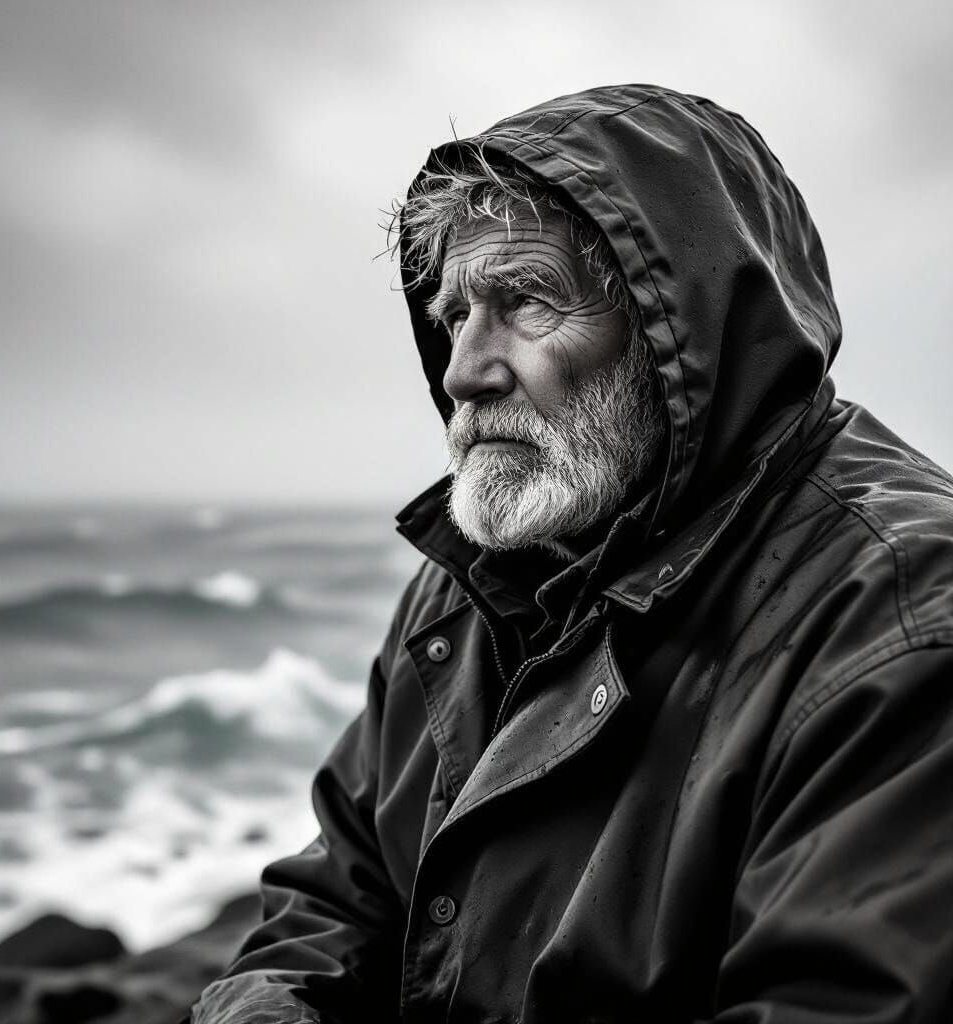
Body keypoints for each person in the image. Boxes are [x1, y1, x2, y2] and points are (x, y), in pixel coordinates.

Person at [191, 84, 953, 1023]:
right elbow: (339, 896)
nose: (464, 369)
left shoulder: (905, 615)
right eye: (454, 312)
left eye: (525, 302)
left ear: (683, 328)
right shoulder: (467, 579)